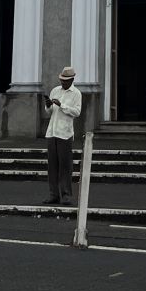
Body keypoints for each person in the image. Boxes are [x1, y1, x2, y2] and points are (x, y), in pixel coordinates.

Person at [43, 66, 81, 206]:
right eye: (62, 80)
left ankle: (66, 195)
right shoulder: (55, 91)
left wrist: (62, 105)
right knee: (52, 166)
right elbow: (49, 112)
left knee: (65, 166)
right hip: (52, 132)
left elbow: (77, 112)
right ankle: (54, 194)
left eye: (66, 81)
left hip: (65, 133)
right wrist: (48, 105)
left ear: (72, 80)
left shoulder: (76, 93)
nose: (63, 83)